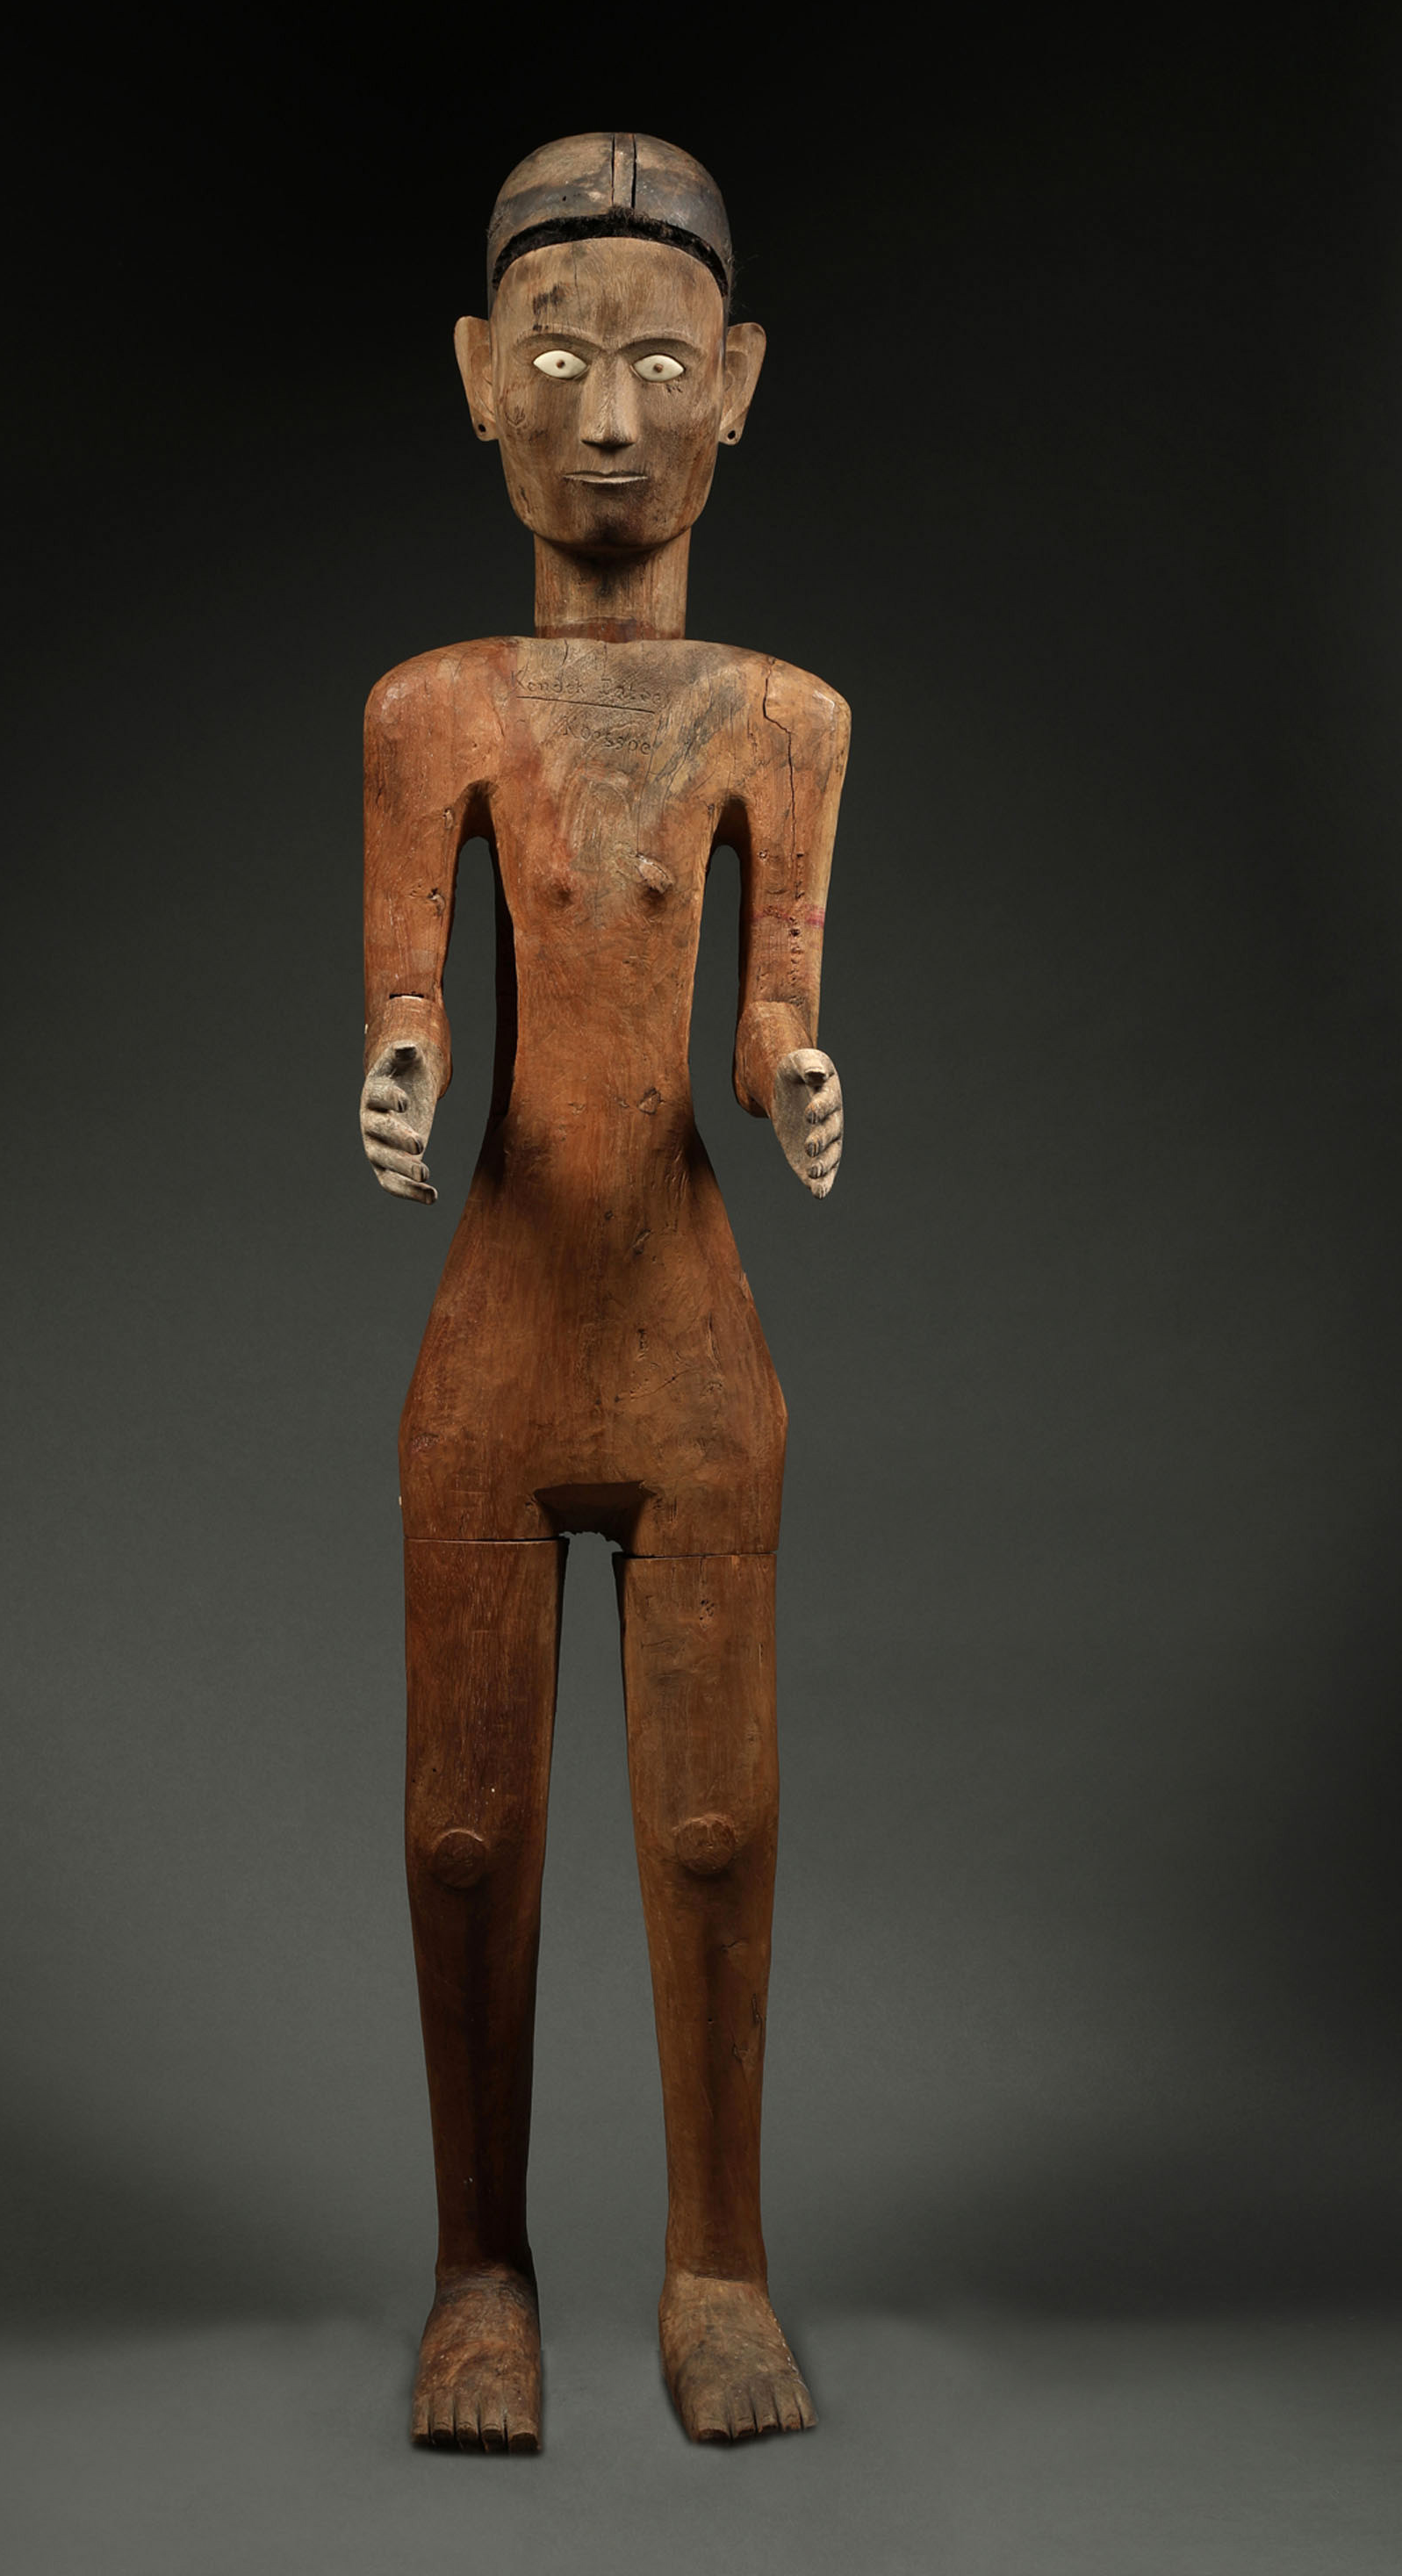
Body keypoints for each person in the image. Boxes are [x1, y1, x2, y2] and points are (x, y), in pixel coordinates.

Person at [359, 132, 847, 2450]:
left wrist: (797, 1075)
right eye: (559, 362)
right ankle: (481, 2273)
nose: (615, 419)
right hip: (496, 1335)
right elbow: (409, 996)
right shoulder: (432, 713)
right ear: (480, 377)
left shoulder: (784, 722)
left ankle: (716, 2265)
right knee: (464, 1835)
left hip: (683, 1344)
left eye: (660, 362)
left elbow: (769, 1011)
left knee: (715, 1829)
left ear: (736, 380)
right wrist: (400, 1067)